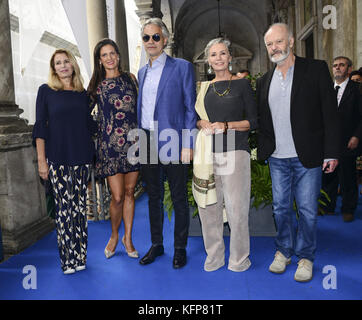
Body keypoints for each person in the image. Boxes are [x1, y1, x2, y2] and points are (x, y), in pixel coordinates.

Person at [256, 23, 340, 282]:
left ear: (291, 41)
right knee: (281, 209)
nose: (274, 48)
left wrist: (331, 152)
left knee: (306, 210)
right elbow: (263, 120)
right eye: (270, 44)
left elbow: (330, 114)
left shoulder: (315, 70)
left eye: (279, 42)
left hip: (309, 156)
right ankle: (283, 251)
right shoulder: (264, 81)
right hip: (277, 157)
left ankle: (305, 257)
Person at [192, 38, 257, 272]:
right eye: (213, 54)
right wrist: (200, 122)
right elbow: (195, 117)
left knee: (237, 208)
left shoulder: (242, 85)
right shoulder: (204, 88)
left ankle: (239, 259)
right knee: (209, 208)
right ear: (208, 61)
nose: (218, 58)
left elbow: (253, 122)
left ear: (230, 58)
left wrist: (227, 125)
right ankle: (215, 256)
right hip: (207, 155)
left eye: (222, 53)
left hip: (235, 151)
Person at [137, 18, 197, 269]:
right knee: (154, 197)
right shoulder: (141, 72)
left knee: (179, 196)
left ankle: (180, 248)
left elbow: (189, 107)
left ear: (165, 39)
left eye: (156, 37)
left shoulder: (182, 67)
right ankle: (157, 244)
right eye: (146, 38)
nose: (151, 42)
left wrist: (188, 142)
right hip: (146, 139)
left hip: (174, 139)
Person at [33, 49, 95, 274]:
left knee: (79, 208)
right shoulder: (46, 91)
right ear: (53, 68)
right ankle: (67, 259)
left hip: (81, 158)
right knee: (63, 210)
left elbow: (90, 126)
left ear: (73, 65)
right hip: (57, 158)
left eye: (66, 61)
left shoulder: (82, 94)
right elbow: (40, 128)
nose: (62, 66)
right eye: (58, 63)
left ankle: (80, 256)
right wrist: (42, 161)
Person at [87, 39, 140, 259]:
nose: (109, 58)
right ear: (99, 61)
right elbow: (82, 115)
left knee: (129, 193)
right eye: (104, 55)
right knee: (117, 196)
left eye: (112, 53)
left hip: (134, 144)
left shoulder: (131, 79)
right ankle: (114, 235)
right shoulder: (96, 87)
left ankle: (128, 238)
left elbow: (142, 108)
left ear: (118, 55)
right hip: (109, 147)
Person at [320, 57, 362, 222]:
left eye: (341, 65)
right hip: (329, 141)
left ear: (349, 69)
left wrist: (357, 136)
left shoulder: (357, 90)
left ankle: (348, 208)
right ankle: (327, 207)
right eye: (335, 65)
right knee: (328, 175)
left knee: (348, 176)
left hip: (348, 140)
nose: (337, 68)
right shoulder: (327, 89)